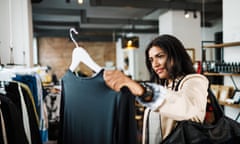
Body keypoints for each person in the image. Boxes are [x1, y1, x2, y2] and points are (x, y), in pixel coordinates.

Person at [103, 34, 209, 143]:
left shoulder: (195, 81)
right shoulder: (163, 86)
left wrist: (144, 92)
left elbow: (187, 109)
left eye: (160, 56)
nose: (155, 64)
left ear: (176, 55)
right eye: (151, 60)